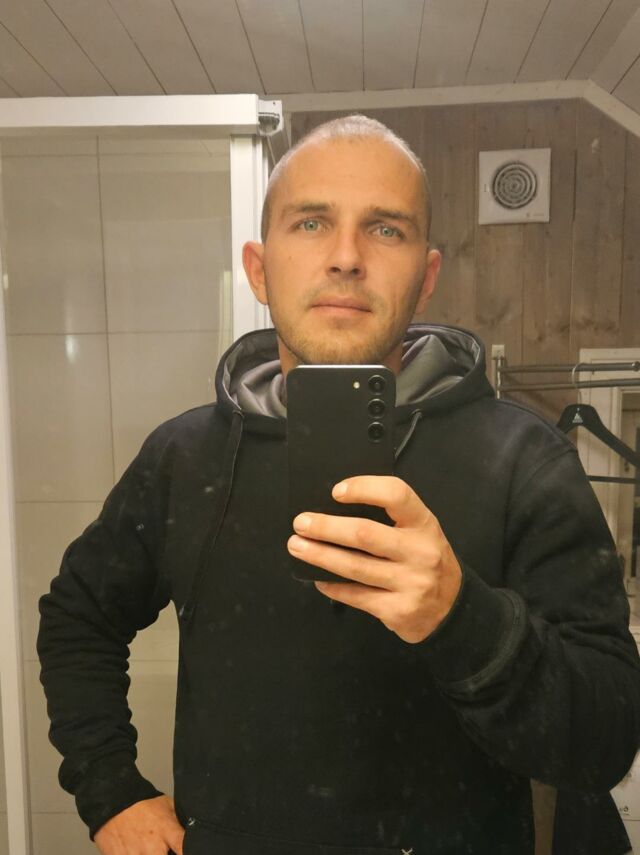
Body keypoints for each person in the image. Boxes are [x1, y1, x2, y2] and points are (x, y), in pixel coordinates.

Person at [37, 114, 640, 855]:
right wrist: (110, 791)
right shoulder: (183, 457)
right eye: (311, 222)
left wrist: (461, 617)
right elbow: (77, 618)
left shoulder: (525, 459)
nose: (347, 257)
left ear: (426, 277)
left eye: (385, 229)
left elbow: (607, 736)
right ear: (260, 269)